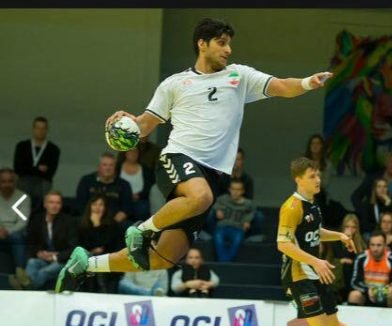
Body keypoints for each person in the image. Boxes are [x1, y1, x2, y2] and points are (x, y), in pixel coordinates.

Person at [55, 18, 333, 292]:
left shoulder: (239, 76)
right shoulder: (174, 84)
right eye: (221, 43)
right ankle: (141, 231)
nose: (228, 50)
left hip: (211, 176)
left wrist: (309, 82)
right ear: (202, 44)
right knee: (201, 197)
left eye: (229, 44)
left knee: (164, 258)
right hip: (178, 158)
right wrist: (127, 123)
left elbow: (283, 86)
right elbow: (145, 125)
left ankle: (86, 264)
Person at [272, 157, 355, 326]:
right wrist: (316, 261)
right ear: (298, 179)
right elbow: (282, 244)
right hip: (298, 275)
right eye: (312, 176)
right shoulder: (291, 207)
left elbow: (314, 233)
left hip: (315, 272)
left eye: (318, 175)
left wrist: (339, 236)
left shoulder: (313, 205)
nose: (318, 180)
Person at [18, 191, 76, 290]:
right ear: (45, 204)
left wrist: (54, 256)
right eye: (51, 202)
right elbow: (31, 242)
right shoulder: (37, 220)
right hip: (44, 258)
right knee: (32, 262)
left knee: (44, 272)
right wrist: (39, 253)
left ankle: (26, 287)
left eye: (58, 203)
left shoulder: (68, 221)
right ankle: (27, 285)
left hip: (62, 260)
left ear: (61, 205)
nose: (54, 206)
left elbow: (74, 248)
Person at [77, 195, 124, 293]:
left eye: (101, 205)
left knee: (97, 264)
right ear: (90, 206)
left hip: (108, 259)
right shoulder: (80, 224)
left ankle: (103, 293)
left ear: (105, 208)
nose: (97, 208)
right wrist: (92, 251)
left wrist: (97, 225)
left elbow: (105, 245)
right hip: (86, 259)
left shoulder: (112, 224)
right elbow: (81, 245)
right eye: (94, 204)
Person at [12, 116, 61, 210]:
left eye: (43, 128)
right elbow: (18, 168)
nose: (40, 131)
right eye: (38, 128)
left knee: (42, 202)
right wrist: (38, 169)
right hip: (24, 183)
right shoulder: (22, 146)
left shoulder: (53, 149)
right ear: (33, 129)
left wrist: (28, 168)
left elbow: (50, 173)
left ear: (47, 130)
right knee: (21, 204)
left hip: (42, 185)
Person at [348, 230, 392, 307]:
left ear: (385, 245)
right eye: (372, 245)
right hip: (367, 293)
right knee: (354, 295)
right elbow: (354, 282)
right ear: (369, 245)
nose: (375, 249)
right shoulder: (361, 258)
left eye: (379, 245)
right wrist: (367, 290)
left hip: (386, 294)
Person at [75, 152, 134, 225]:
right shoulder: (86, 181)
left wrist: (112, 223)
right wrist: (93, 220)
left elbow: (126, 209)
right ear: (98, 167)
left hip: (114, 222)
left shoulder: (124, 184)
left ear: (115, 167)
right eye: (104, 165)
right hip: (89, 219)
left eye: (111, 165)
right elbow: (80, 204)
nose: (108, 168)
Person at [325, 213, 366, 303]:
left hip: (353, 276)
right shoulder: (335, 242)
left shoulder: (361, 243)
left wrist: (350, 241)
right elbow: (329, 260)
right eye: (347, 227)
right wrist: (341, 261)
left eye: (353, 227)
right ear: (343, 227)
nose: (350, 230)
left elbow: (362, 261)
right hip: (338, 276)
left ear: (357, 229)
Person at [212, 178, 256, 262]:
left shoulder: (248, 203)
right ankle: (225, 262)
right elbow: (213, 204)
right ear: (229, 189)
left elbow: (251, 213)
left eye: (238, 189)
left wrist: (247, 221)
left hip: (238, 228)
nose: (235, 192)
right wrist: (217, 210)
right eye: (233, 189)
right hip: (222, 226)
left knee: (237, 240)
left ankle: (225, 262)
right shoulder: (222, 199)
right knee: (218, 238)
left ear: (243, 191)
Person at [0, 168, 30, 273]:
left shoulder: (23, 198)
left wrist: (8, 231)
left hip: (15, 232)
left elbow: (23, 221)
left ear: (15, 182)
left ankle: (20, 273)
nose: (7, 185)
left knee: (17, 237)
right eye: (3, 181)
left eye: (10, 181)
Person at [118, 147, 155, 222]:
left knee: (143, 208)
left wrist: (139, 195)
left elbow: (149, 187)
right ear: (125, 153)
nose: (133, 154)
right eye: (130, 151)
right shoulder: (117, 167)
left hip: (140, 200)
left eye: (135, 152)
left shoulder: (146, 169)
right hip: (121, 199)